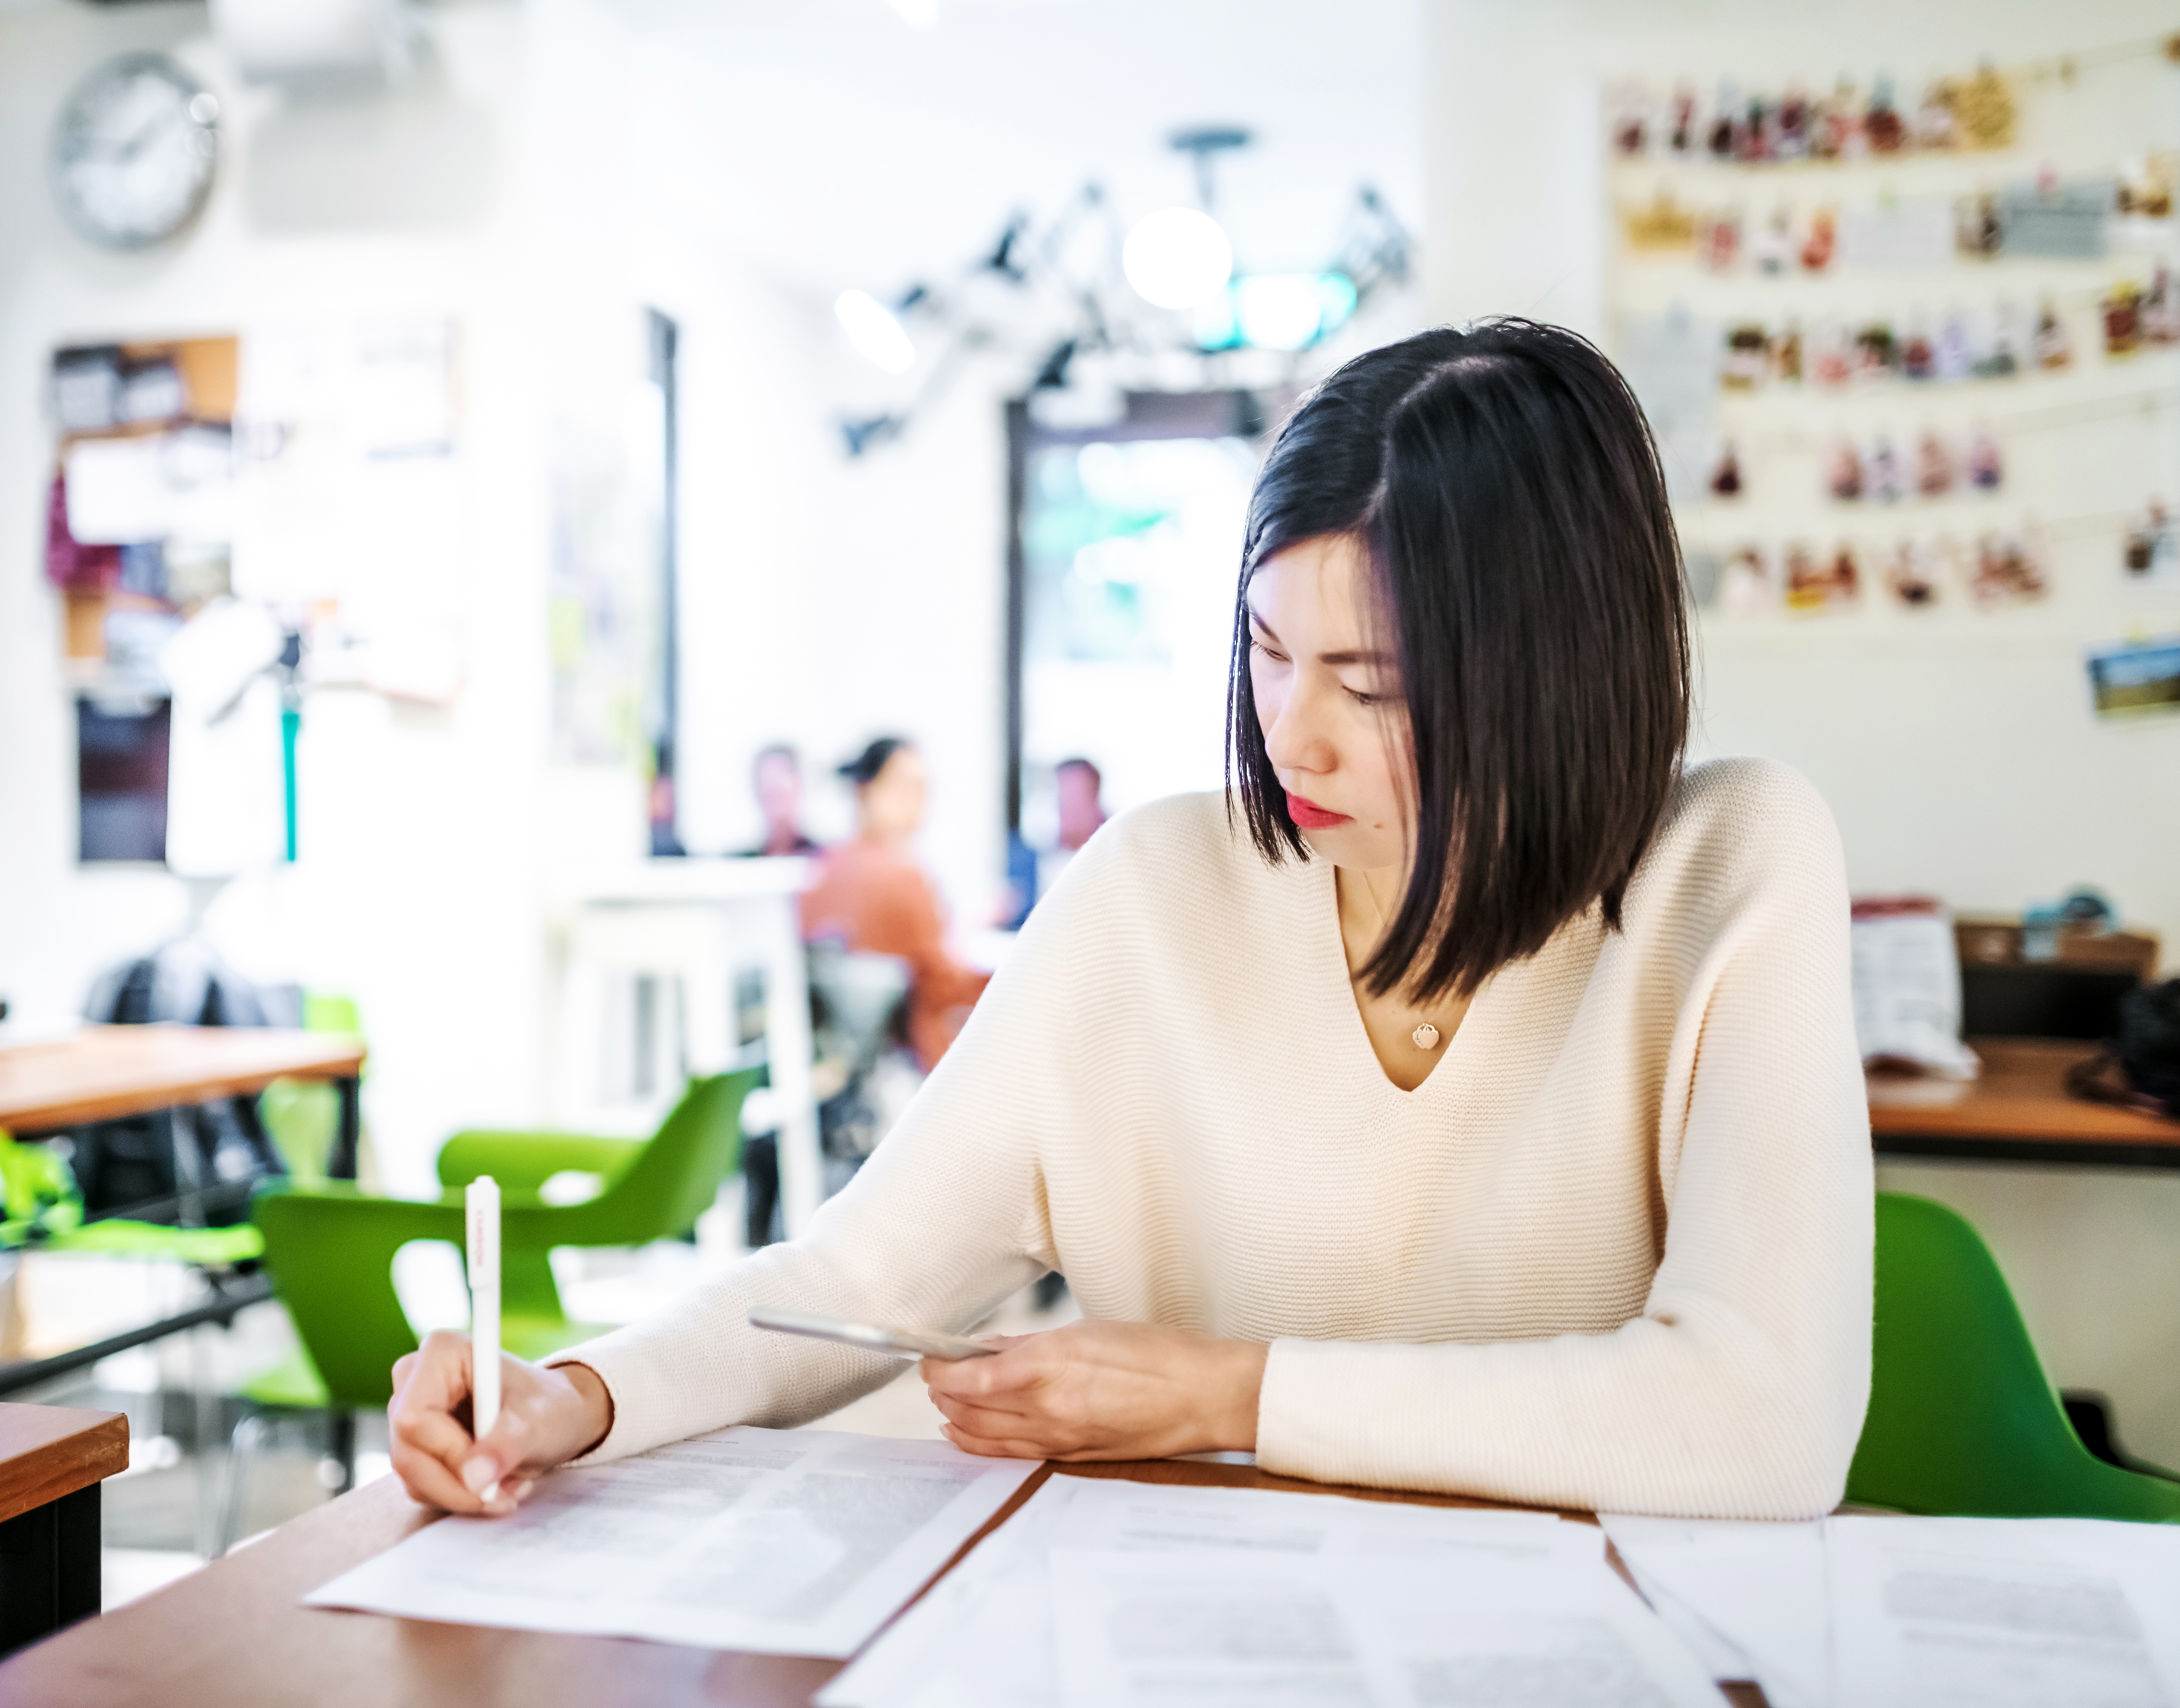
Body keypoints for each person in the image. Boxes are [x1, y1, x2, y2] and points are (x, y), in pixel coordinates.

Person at [390, 320, 1872, 1524]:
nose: (1292, 734)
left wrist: (1225, 1393)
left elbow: (1767, 1421)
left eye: (1374, 685)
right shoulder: (1149, 891)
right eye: (1268, 651)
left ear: (1557, 672)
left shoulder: (1731, 861)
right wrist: (577, 1396)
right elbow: (854, 1281)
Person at [797, 737, 989, 1071]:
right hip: (908, 1061)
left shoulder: (818, 868)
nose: (917, 802)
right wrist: (972, 928)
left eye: (923, 790)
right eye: (905, 787)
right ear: (865, 791)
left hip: (834, 1063)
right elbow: (945, 985)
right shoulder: (906, 878)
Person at [1003, 757, 1109, 927]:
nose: (1068, 809)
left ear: (1095, 800)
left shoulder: (1113, 858)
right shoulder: (1027, 861)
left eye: (1076, 798)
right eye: (1063, 798)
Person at [740, 743, 820, 857]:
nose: (774, 787)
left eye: (781, 792)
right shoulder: (741, 862)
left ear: (799, 787)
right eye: (770, 792)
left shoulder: (823, 858)